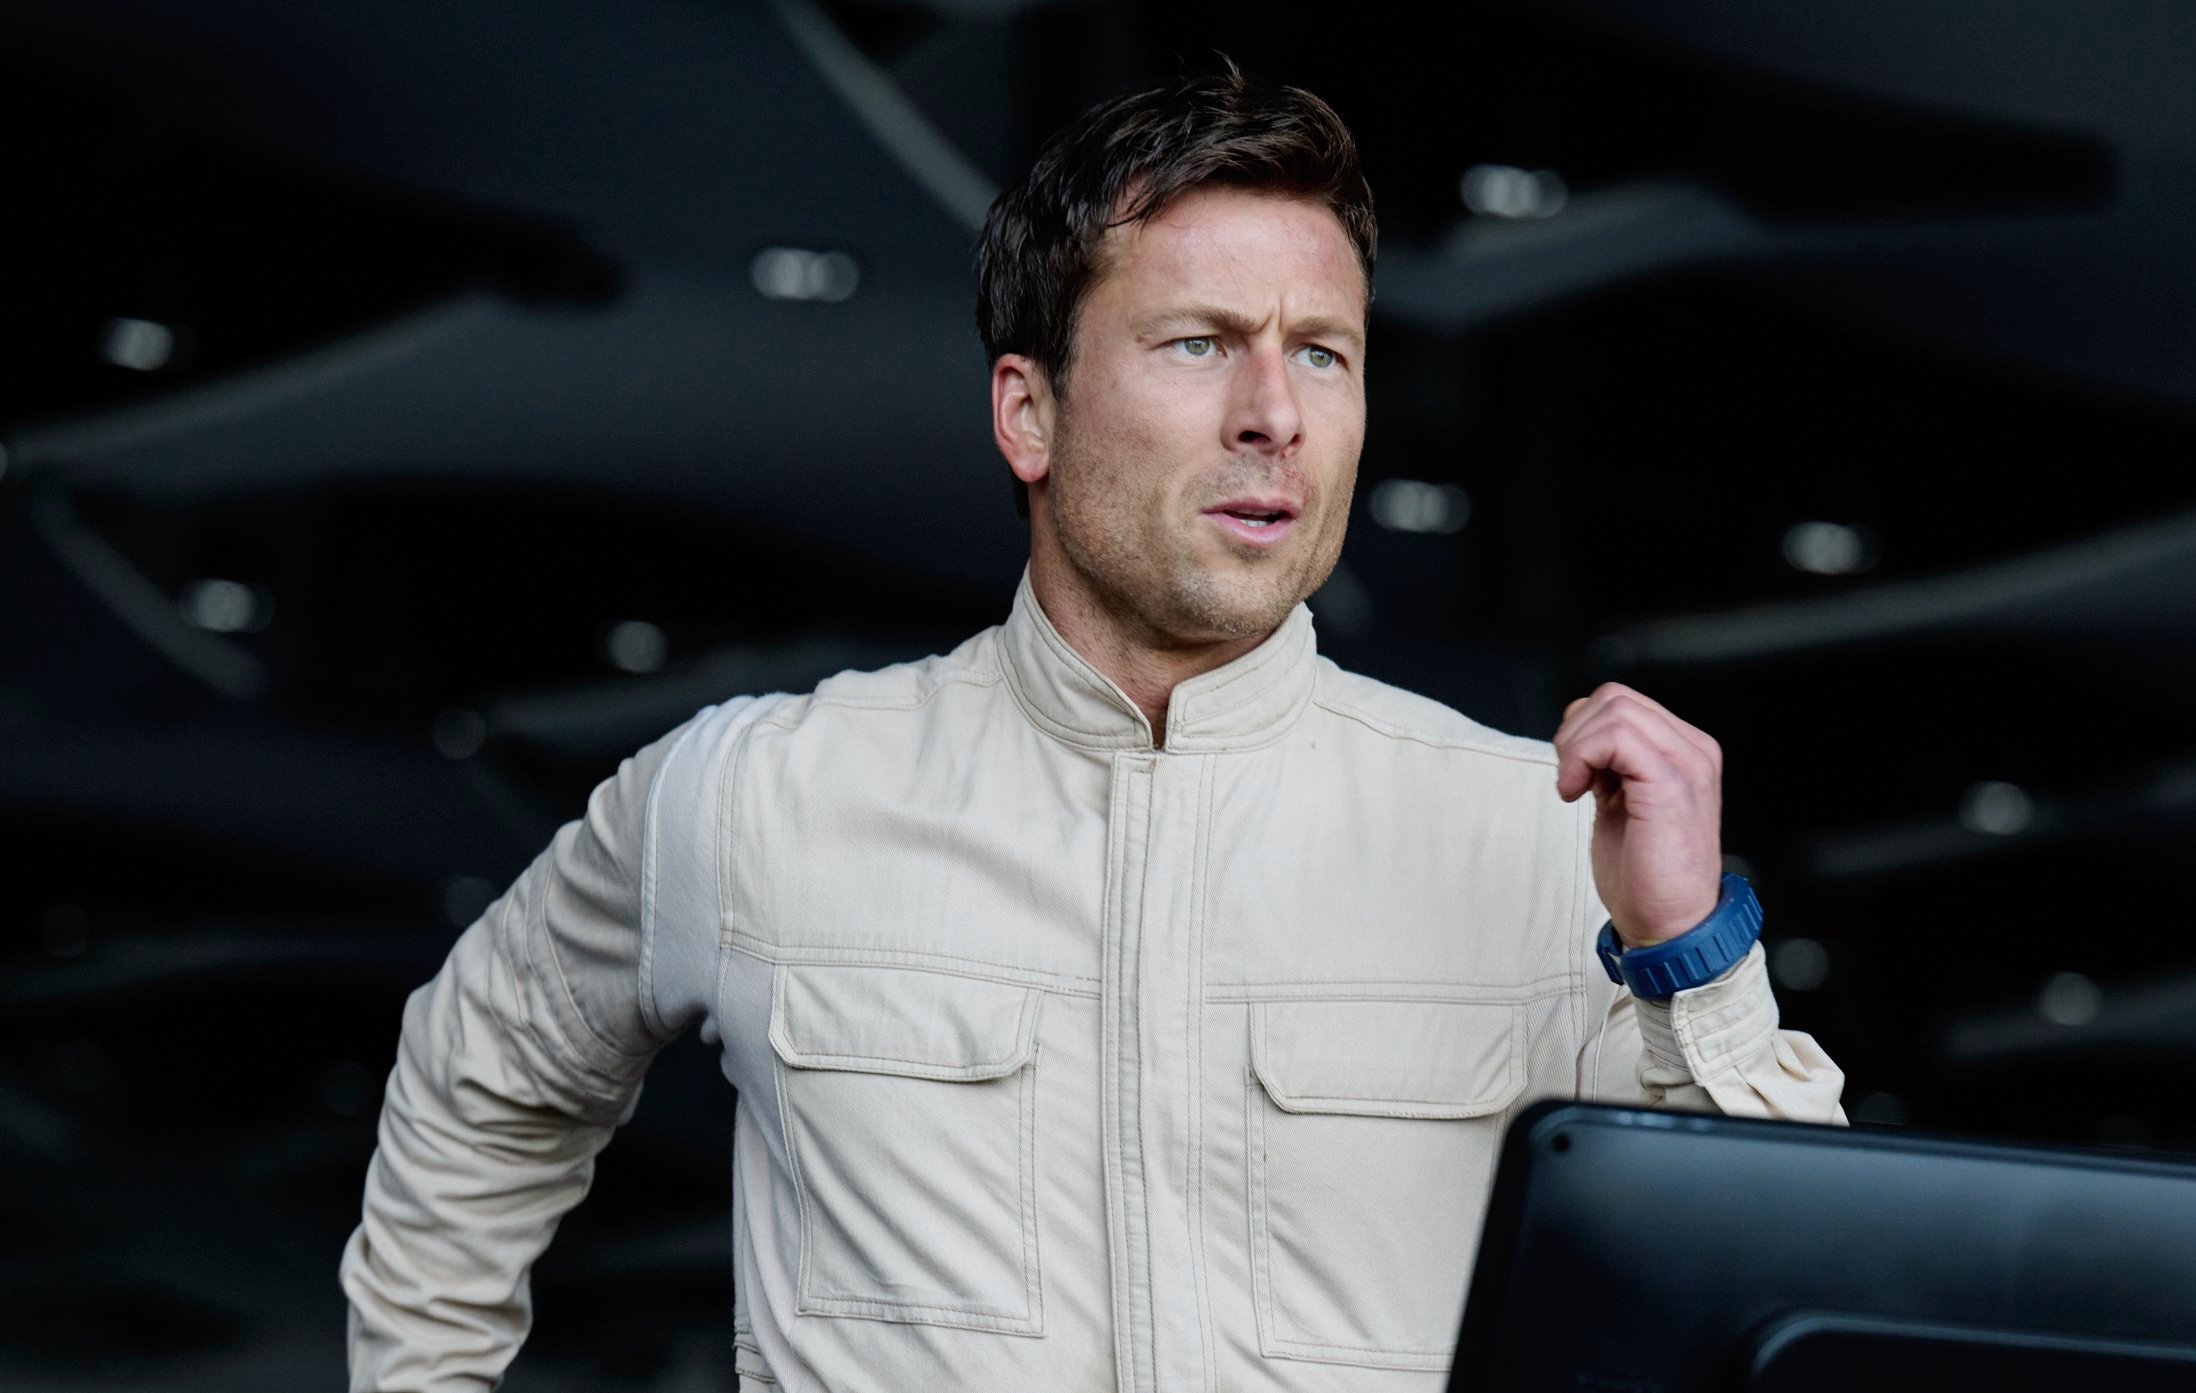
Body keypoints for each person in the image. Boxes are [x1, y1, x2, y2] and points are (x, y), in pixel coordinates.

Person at [341, 64, 1844, 1393]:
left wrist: (1692, 960)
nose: (1274, 413)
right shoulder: (756, 796)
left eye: (1322, 351)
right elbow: (479, 1080)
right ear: (1029, 413)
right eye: (1198, 343)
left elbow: (1793, 1289)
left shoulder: (1537, 833)